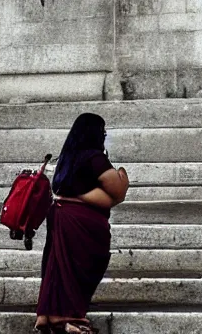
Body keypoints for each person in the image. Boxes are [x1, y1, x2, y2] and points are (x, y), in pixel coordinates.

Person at [34, 113, 129, 334]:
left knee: (58, 268)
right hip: (81, 222)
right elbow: (117, 191)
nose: (104, 135)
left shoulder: (67, 157)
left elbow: (62, 189)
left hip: (61, 216)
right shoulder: (94, 158)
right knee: (79, 268)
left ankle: (49, 316)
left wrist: (75, 196)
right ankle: (67, 316)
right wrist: (123, 173)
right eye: (102, 131)